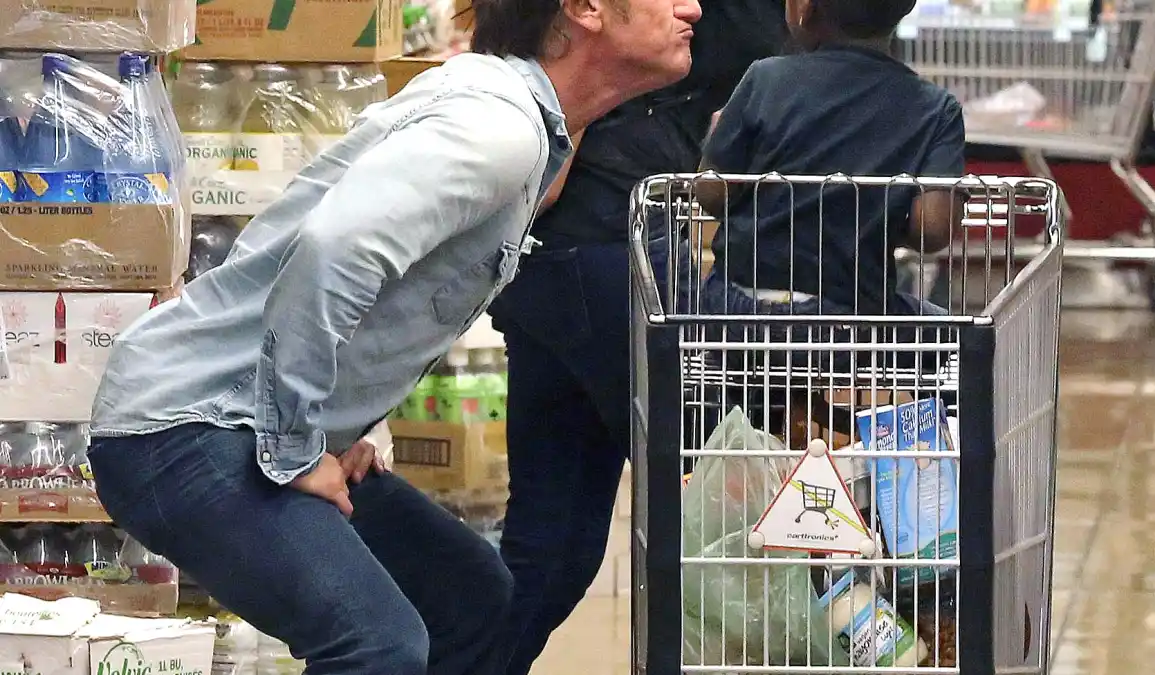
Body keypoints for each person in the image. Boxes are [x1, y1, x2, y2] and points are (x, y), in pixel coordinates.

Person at [83, 0, 700, 673]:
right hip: (186, 424)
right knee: (378, 645)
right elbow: (334, 250)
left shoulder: (510, 116)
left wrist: (339, 427)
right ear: (585, 9)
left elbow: (377, 285)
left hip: (240, 417)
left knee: (472, 600)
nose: (692, 7)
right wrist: (295, 445)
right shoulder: (500, 130)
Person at [483, 1, 789, 672]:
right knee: (721, 518)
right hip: (614, 259)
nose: (689, 9)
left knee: (554, 544)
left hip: (553, 262)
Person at [693, 0, 966, 438]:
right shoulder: (934, 108)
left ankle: (778, 423)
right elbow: (932, 230)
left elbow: (711, 192)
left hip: (736, 314)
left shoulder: (764, 79)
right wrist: (880, 210)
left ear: (804, 7)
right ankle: (868, 441)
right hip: (847, 325)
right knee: (945, 339)